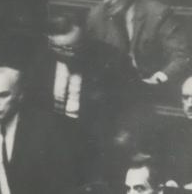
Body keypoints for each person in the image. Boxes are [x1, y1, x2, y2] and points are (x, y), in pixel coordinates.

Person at [27, 12, 139, 176]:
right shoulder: (41, 61)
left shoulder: (111, 59)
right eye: (63, 49)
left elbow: (132, 101)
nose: (71, 53)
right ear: (50, 43)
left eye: (76, 47)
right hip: (52, 141)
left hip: (95, 142)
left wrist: (124, 132)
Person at [86, 0, 192, 86]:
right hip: (111, 89)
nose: (106, 0)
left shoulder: (157, 13)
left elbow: (181, 56)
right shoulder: (96, 16)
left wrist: (158, 78)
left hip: (149, 90)